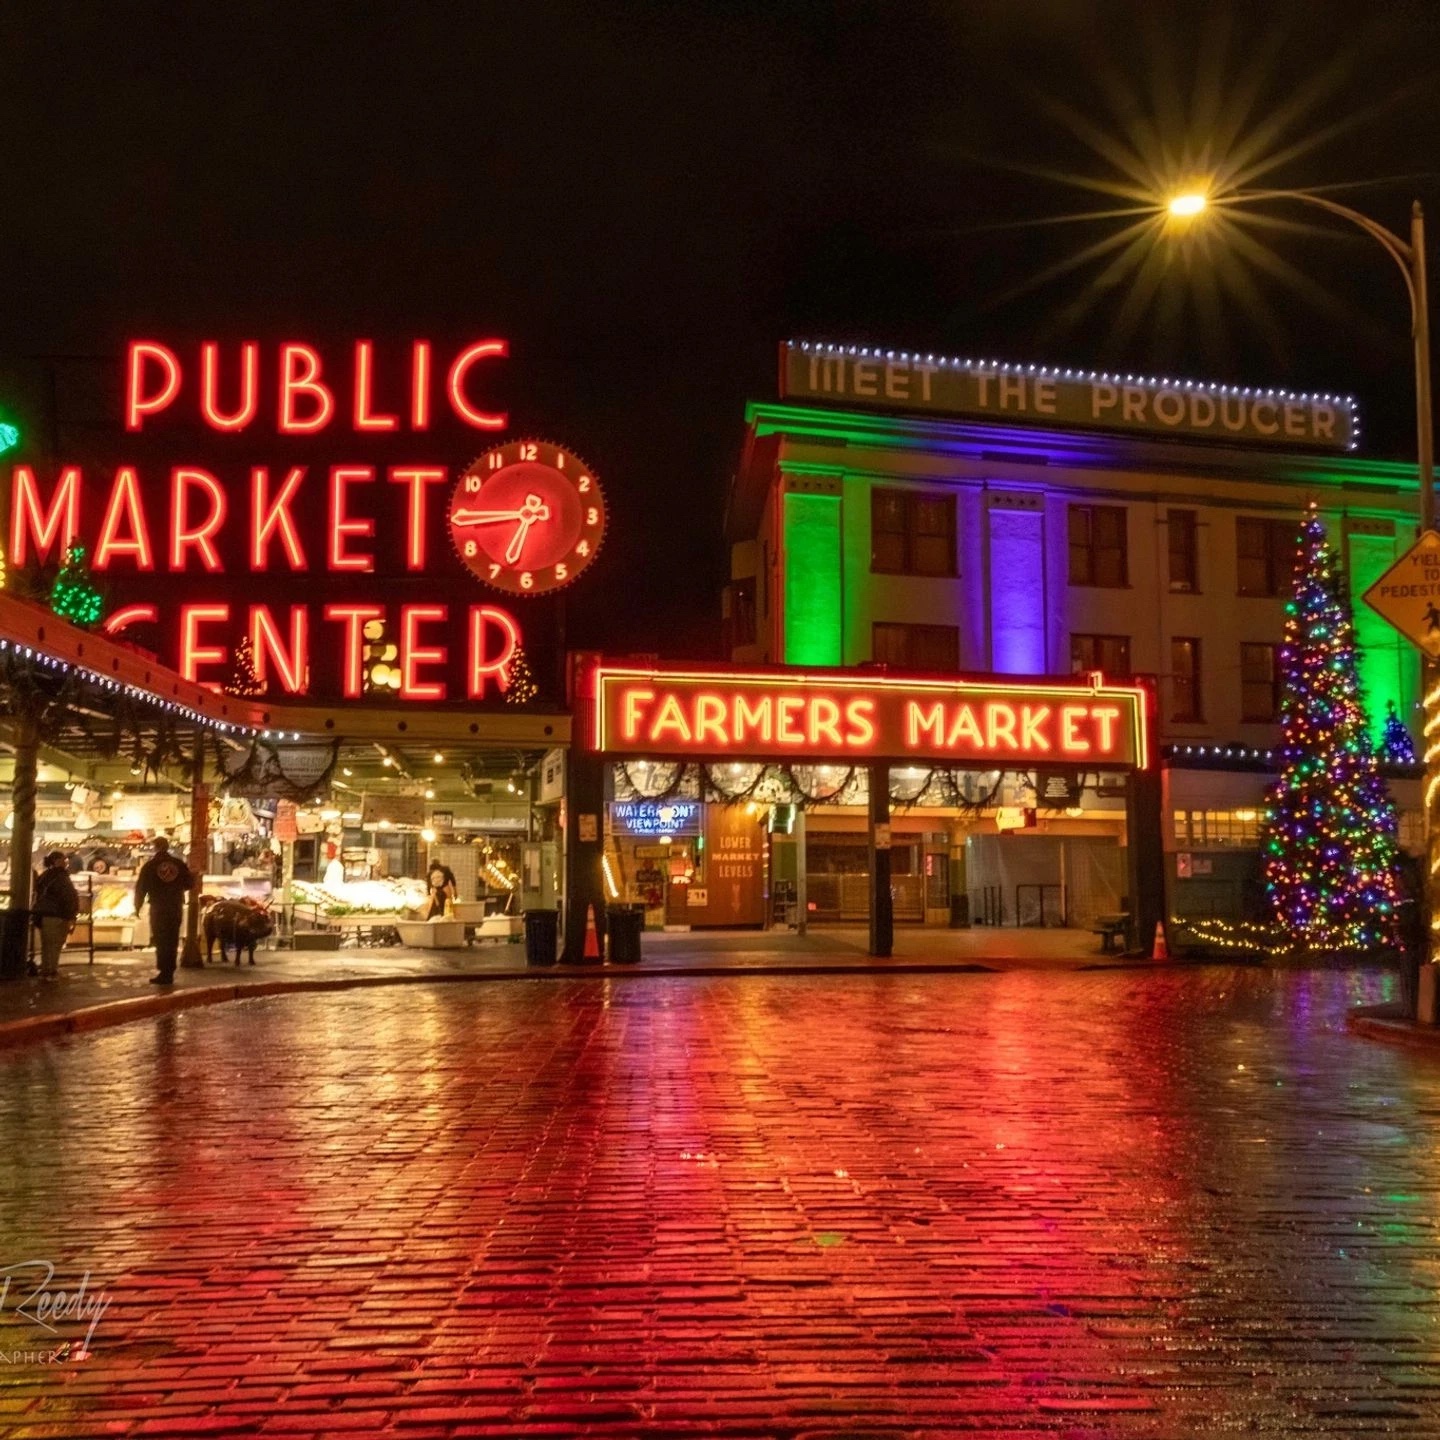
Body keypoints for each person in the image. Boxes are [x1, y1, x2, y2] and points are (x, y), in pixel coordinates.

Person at [134, 837, 194, 985]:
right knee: (172, 939)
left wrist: (137, 906)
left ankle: (163, 972)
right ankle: (170, 972)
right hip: (175, 906)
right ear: (167, 847)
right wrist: (176, 889)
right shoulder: (179, 864)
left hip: (158, 907)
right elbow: (189, 883)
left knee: (161, 940)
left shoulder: (150, 866)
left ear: (155, 847)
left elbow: (141, 888)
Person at [31, 852, 79, 981]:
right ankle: (51, 971)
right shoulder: (61, 877)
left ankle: (46, 970)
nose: (66, 863)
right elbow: (68, 897)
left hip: (43, 914)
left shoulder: (44, 876)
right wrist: (72, 915)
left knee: (46, 944)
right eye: (64, 860)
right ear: (57, 861)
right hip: (58, 914)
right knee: (55, 945)